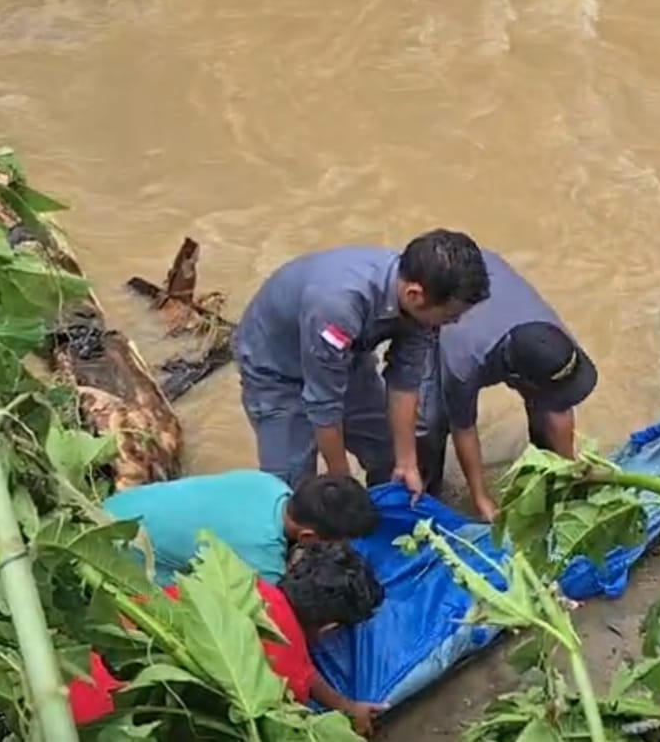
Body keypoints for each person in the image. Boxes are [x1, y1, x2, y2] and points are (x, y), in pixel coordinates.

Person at [233, 229, 490, 495]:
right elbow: (324, 403)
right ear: (415, 295)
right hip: (277, 371)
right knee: (292, 489)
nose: (455, 323)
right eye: (450, 316)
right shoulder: (339, 307)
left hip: (347, 359)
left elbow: (406, 380)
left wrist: (406, 462)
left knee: (388, 455)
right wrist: (342, 484)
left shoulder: (421, 300)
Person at [68, 541, 388, 736]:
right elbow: (295, 672)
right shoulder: (283, 685)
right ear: (330, 628)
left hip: (73, 674)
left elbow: (299, 664)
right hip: (112, 727)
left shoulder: (245, 585)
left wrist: (345, 706)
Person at [411, 250, 597, 520]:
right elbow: (464, 428)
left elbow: (560, 404)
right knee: (429, 420)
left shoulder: (553, 343)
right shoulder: (465, 361)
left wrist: (569, 468)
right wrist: (481, 497)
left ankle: (547, 477)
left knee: (549, 415)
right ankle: (425, 496)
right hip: (442, 304)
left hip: (491, 286)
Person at [103, 469, 377, 586]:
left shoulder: (270, 485)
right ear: (308, 536)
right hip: (114, 550)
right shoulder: (262, 562)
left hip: (114, 506)